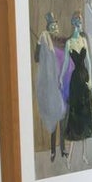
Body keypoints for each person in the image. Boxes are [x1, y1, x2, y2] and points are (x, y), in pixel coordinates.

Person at [61, 11, 92, 166]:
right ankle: (69, 158)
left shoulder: (84, 40)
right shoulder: (69, 43)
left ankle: (84, 155)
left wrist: (91, 81)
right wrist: (60, 78)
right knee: (76, 119)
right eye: (79, 22)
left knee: (85, 118)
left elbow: (89, 63)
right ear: (74, 23)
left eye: (81, 22)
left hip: (84, 79)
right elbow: (66, 63)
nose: (80, 25)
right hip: (75, 82)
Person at [34, 12, 68, 162]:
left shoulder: (62, 42)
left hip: (63, 83)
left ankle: (63, 148)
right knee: (54, 116)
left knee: (63, 118)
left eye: (56, 25)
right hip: (52, 85)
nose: (55, 28)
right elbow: (37, 58)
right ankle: (53, 150)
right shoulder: (45, 41)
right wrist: (39, 44)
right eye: (52, 26)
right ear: (48, 28)